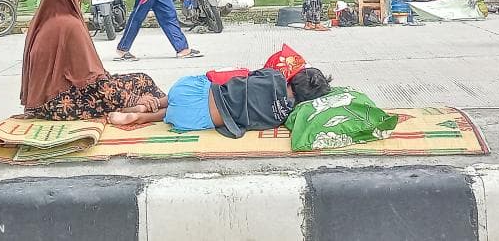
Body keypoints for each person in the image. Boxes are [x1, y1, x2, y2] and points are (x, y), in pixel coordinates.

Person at [20, 0, 166, 120]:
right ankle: (162, 108)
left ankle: (137, 108)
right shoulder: (70, 25)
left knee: (127, 83)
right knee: (143, 81)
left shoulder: (40, 24)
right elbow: (93, 79)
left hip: (40, 106)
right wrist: (133, 98)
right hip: (64, 105)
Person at [107, 67, 332, 138]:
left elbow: (247, 77)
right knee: (170, 115)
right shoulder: (283, 116)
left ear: (294, 77)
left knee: (193, 91)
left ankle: (151, 103)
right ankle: (141, 117)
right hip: (196, 119)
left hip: (189, 93)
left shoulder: (274, 76)